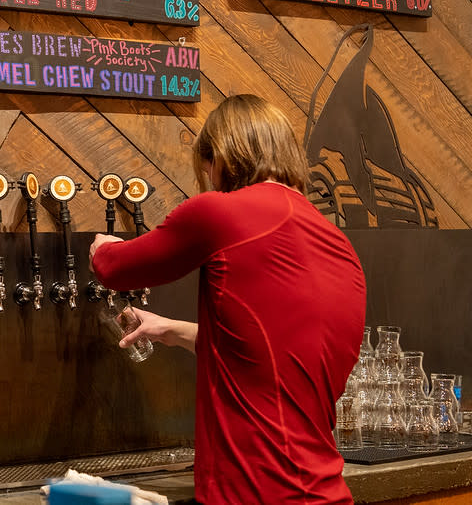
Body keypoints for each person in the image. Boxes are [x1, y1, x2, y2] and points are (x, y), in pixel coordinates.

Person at [89, 94, 366, 505]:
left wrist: (103, 246)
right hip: (322, 490)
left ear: (218, 156)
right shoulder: (338, 244)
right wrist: (168, 329)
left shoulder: (222, 213)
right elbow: (269, 354)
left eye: (207, 169)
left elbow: (114, 269)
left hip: (255, 493)